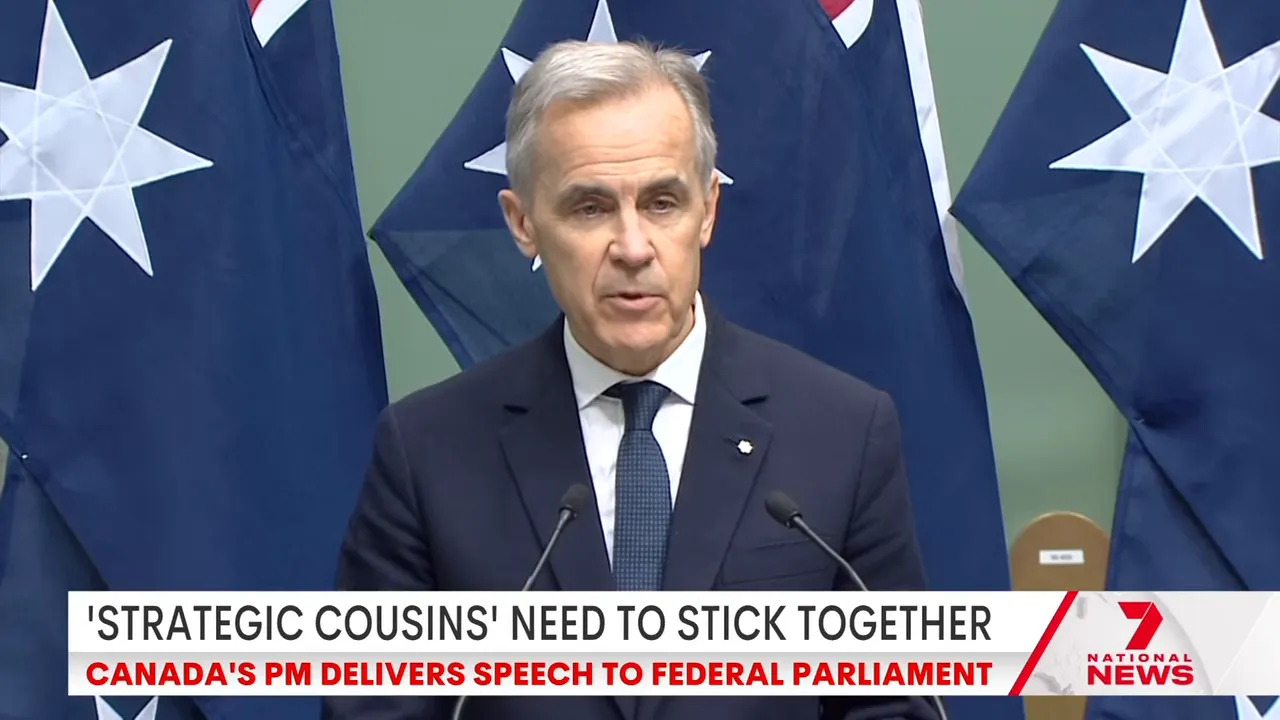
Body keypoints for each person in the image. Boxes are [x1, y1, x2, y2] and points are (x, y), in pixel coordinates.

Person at [322, 39, 938, 720]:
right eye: (589, 208)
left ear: (707, 211)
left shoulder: (842, 434)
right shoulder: (428, 453)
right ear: (523, 223)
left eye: (662, 203)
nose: (634, 247)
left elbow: (892, 707)